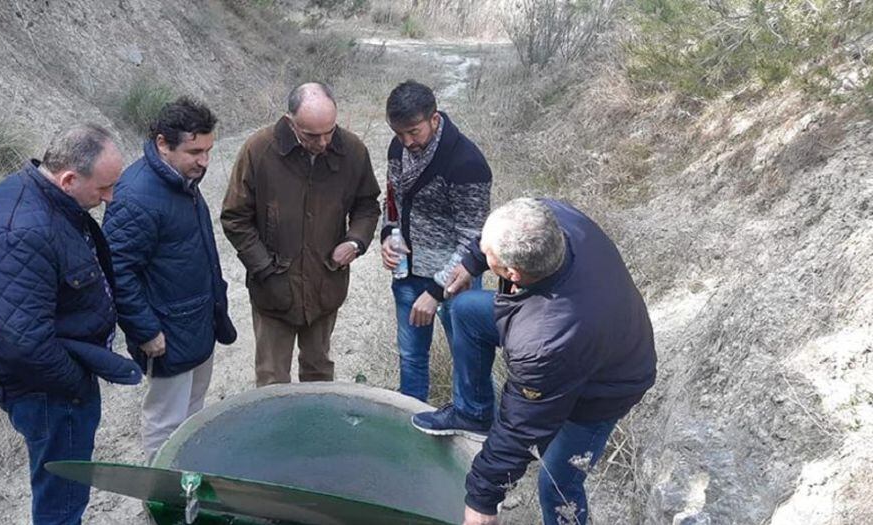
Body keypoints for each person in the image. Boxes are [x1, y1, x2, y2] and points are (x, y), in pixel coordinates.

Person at [414, 198, 657, 525]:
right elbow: (499, 236)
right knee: (467, 310)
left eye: (488, 255)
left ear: (513, 273)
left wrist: (482, 499)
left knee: (557, 483)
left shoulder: (545, 340)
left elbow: (521, 428)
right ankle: (472, 414)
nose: (480, 252)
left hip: (610, 383)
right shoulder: (553, 217)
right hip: (592, 328)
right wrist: (472, 262)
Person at [0, 124, 141, 525]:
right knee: (61, 499)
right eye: (104, 188)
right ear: (68, 178)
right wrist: (77, 383)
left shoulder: (50, 201)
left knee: (64, 488)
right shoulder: (21, 232)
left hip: (55, 380)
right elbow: (26, 341)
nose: (110, 198)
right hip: (48, 391)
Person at [102, 98, 237, 461]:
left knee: (192, 415)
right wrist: (145, 329)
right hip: (166, 334)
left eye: (208, 150)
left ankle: (188, 484)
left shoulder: (180, 180)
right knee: (166, 423)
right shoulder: (136, 196)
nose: (205, 161)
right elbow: (116, 271)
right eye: (195, 151)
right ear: (163, 144)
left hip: (196, 323)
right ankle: (163, 499)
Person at [221, 82, 381, 386]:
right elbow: (235, 217)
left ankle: (315, 431)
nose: (323, 142)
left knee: (319, 372)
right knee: (271, 378)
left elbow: (367, 205)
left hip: (325, 283)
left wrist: (355, 241)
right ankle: (278, 433)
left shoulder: (353, 151)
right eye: (311, 135)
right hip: (274, 289)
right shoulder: (259, 150)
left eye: (329, 131)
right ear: (290, 121)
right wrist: (266, 268)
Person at [379, 80, 492, 405]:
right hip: (407, 275)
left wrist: (436, 292)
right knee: (411, 358)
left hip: (455, 282)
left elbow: (475, 241)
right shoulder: (397, 148)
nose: (406, 141)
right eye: (399, 133)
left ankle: (474, 432)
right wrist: (387, 236)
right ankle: (410, 421)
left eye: (414, 131)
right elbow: (392, 202)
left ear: (434, 119)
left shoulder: (466, 162)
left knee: (468, 364)